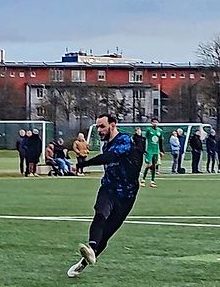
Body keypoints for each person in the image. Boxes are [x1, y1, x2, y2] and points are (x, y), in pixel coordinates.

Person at [67, 114, 142, 277]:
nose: (99, 130)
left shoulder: (124, 140)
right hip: (109, 188)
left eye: (102, 126)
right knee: (100, 213)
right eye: (98, 127)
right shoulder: (106, 145)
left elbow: (109, 157)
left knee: (107, 233)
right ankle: (91, 248)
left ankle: (85, 261)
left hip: (127, 195)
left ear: (113, 125)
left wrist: (83, 164)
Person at [142, 119, 163, 187]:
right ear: (151, 123)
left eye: (156, 122)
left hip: (156, 151)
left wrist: (161, 151)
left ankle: (152, 181)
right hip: (149, 150)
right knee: (149, 165)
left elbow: (160, 142)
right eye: (154, 122)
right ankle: (143, 180)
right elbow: (145, 139)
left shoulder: (160, 131)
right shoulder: (148, 130)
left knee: (154, 166)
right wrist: (144, 149)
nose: (155, 123)